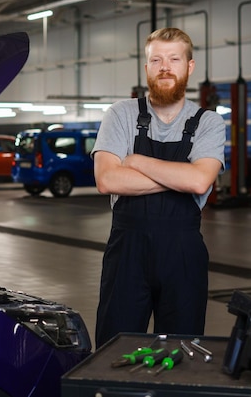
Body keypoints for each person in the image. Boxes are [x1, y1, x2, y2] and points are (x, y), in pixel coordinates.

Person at [92, 27, 226, 348]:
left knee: (181, 355)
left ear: (189, 67)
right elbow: (107, 180)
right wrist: (176, 177)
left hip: (183, 257)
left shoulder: (208, 122)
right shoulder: (121, 114)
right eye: (156, 60)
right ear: (147, 67)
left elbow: (199, 180)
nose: (165, 67)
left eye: (174, 59)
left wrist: (135, 160)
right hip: (126, 254)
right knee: (114, 352)